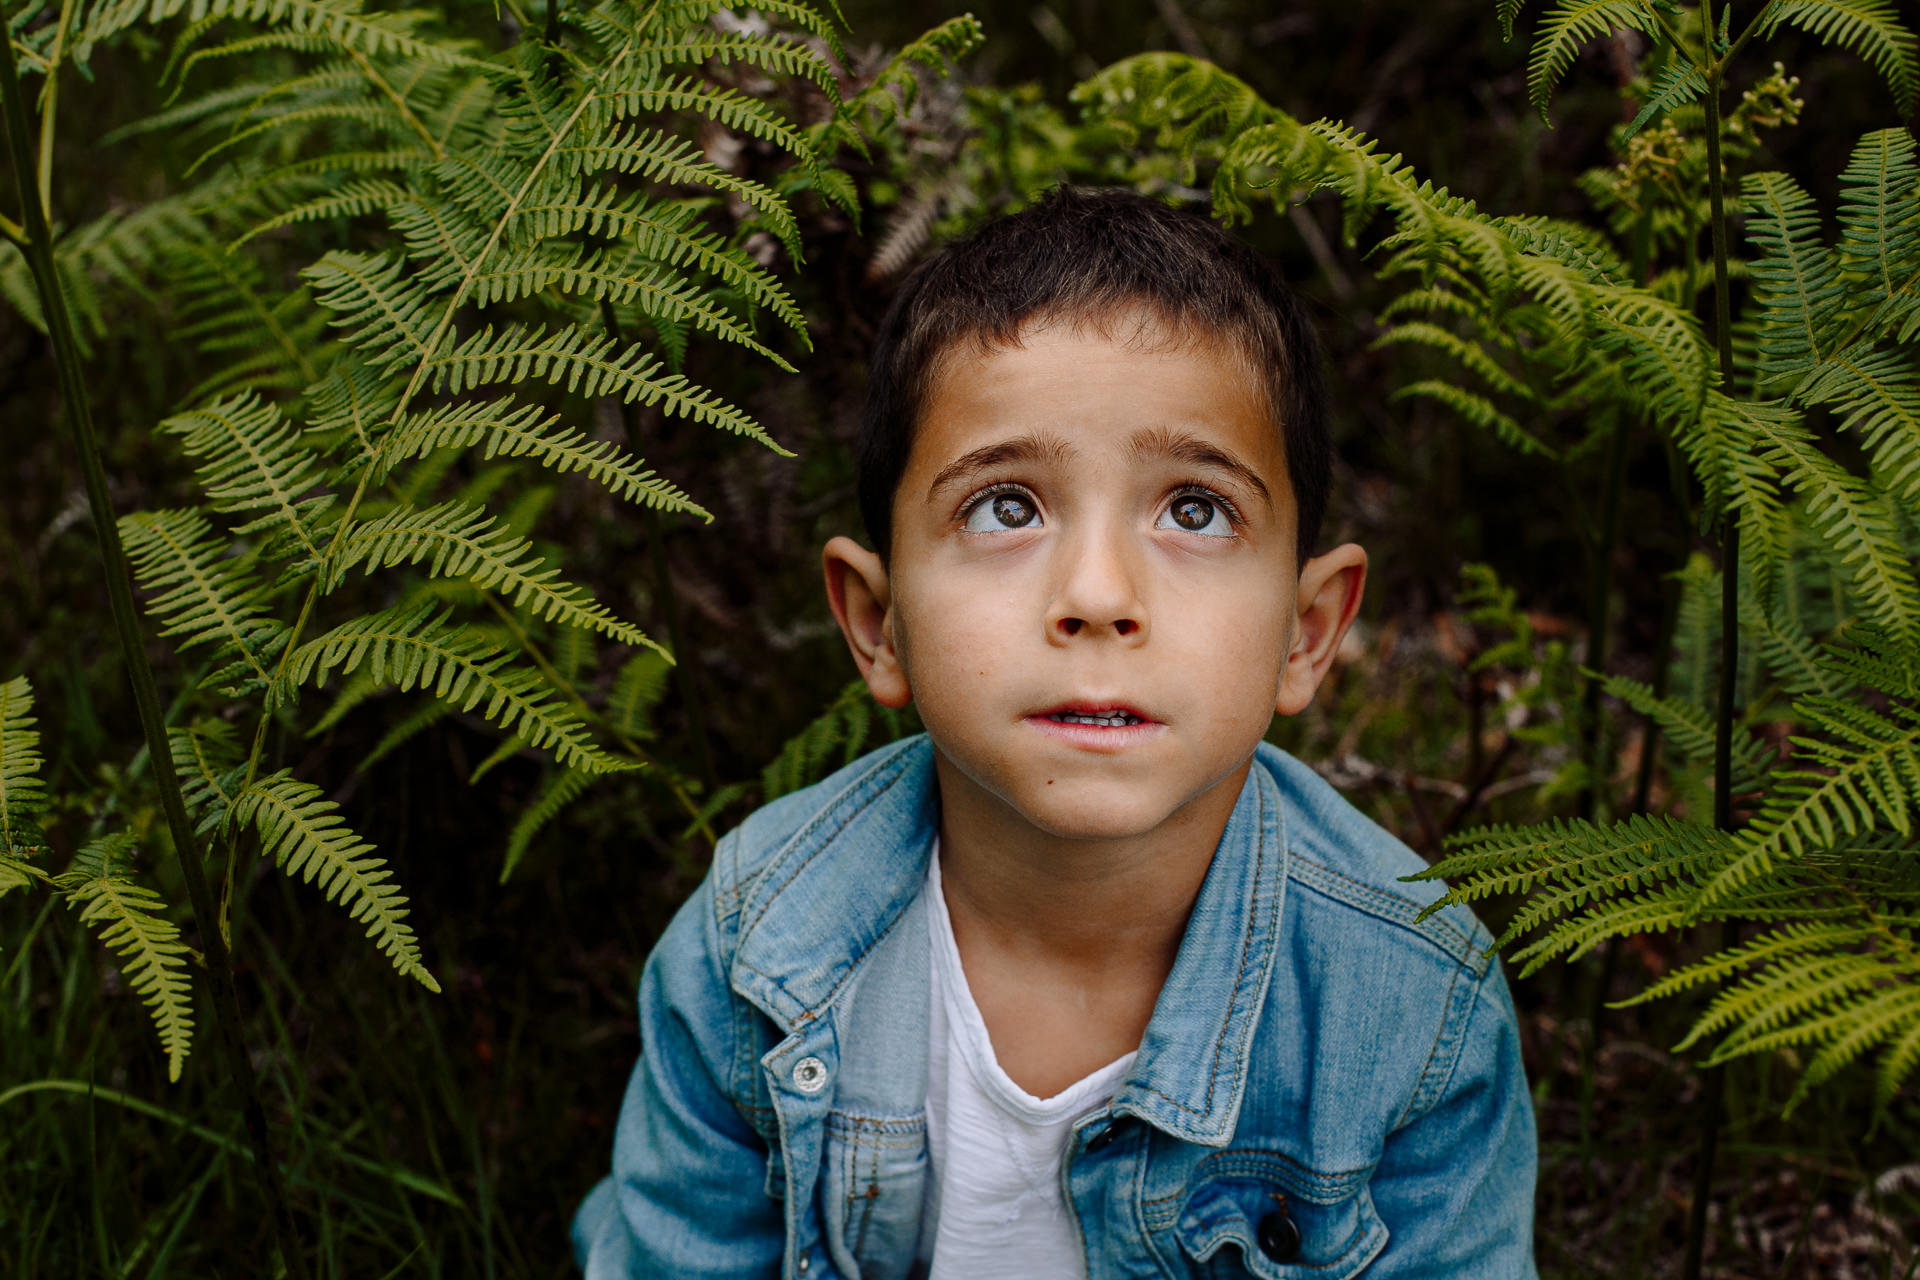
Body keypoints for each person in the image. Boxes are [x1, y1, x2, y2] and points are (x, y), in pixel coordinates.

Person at [571, 187, 1537, 1279]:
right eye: (1006, 506)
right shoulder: (758, 946)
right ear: (876, 622)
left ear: (1304, 634)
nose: (1096, 594)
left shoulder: (1409, 1003)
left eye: (1195, 509)